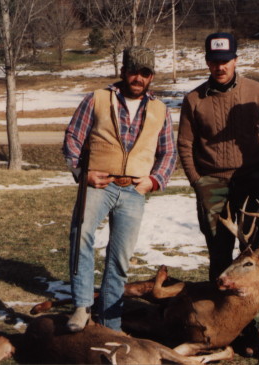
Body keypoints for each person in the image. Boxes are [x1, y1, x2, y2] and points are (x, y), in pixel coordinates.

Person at [63, 46, 177, 333]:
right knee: (81, 237)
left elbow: (169, 153)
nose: (138, 77)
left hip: (133, 191)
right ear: (123, 71)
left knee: (120, 257)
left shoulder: (160, 109)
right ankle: (81, 306)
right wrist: (83, 173)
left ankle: (110, 321)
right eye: (134, 71)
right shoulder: (98, 99)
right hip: (99, 185)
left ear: (151, 77)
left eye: (145, 73)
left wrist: (153, 181)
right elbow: (73, 138)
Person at [178, 32, 259, 282]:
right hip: (213, 185)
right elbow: (185, 143)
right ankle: (222, 317)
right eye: (215, 61)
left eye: (225, 60)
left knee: (256, 251)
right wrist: (198, 181)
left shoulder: (256, 92)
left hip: (252, 180)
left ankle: (257, 317)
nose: (220, 67)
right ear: (207, 62)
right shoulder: (194, 99)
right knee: (219, 254)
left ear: (236, 60)